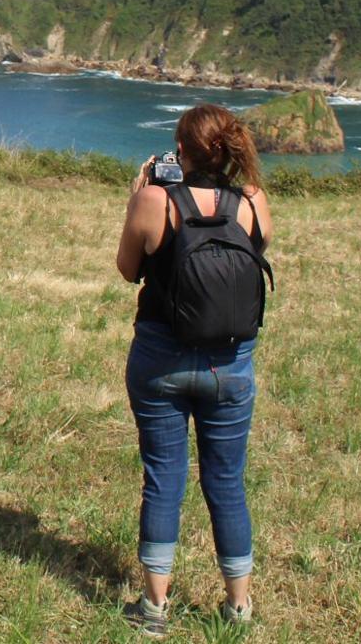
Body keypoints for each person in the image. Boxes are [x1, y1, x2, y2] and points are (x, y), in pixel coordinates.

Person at [115, 104, 273, 637]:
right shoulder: (251, 200)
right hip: (231, 363)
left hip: (160, 356)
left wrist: (140, 193)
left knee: (163, 479)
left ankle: (154, 609)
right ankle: (238, 607)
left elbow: (127, 269)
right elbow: (259, 248)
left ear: (179, 152)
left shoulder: (155, 198)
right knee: (226, 482)